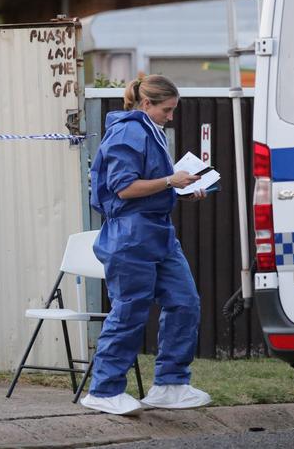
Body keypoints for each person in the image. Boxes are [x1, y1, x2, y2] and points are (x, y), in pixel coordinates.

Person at [81, 74, 212, 416]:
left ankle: (170, 385)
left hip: (158, 231)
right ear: (146, 104)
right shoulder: (128, 131)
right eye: (166, 110)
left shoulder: (149, 130)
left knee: (185, 302)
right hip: (130, 235)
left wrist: (179, 189)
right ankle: (104, 389)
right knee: (129, 310)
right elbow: (123, 188)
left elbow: (147, 184)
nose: (171, 116)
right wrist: (171, 180)